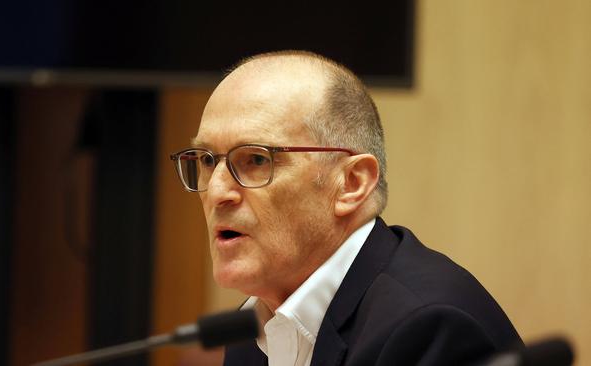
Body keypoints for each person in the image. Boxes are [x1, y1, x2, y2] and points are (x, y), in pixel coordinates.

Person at [169, 51, 522, 365]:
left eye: (257, 160)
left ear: (351, 184)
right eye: (205, 160)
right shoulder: (254, 330)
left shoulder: (428, 327)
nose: (216, 191)